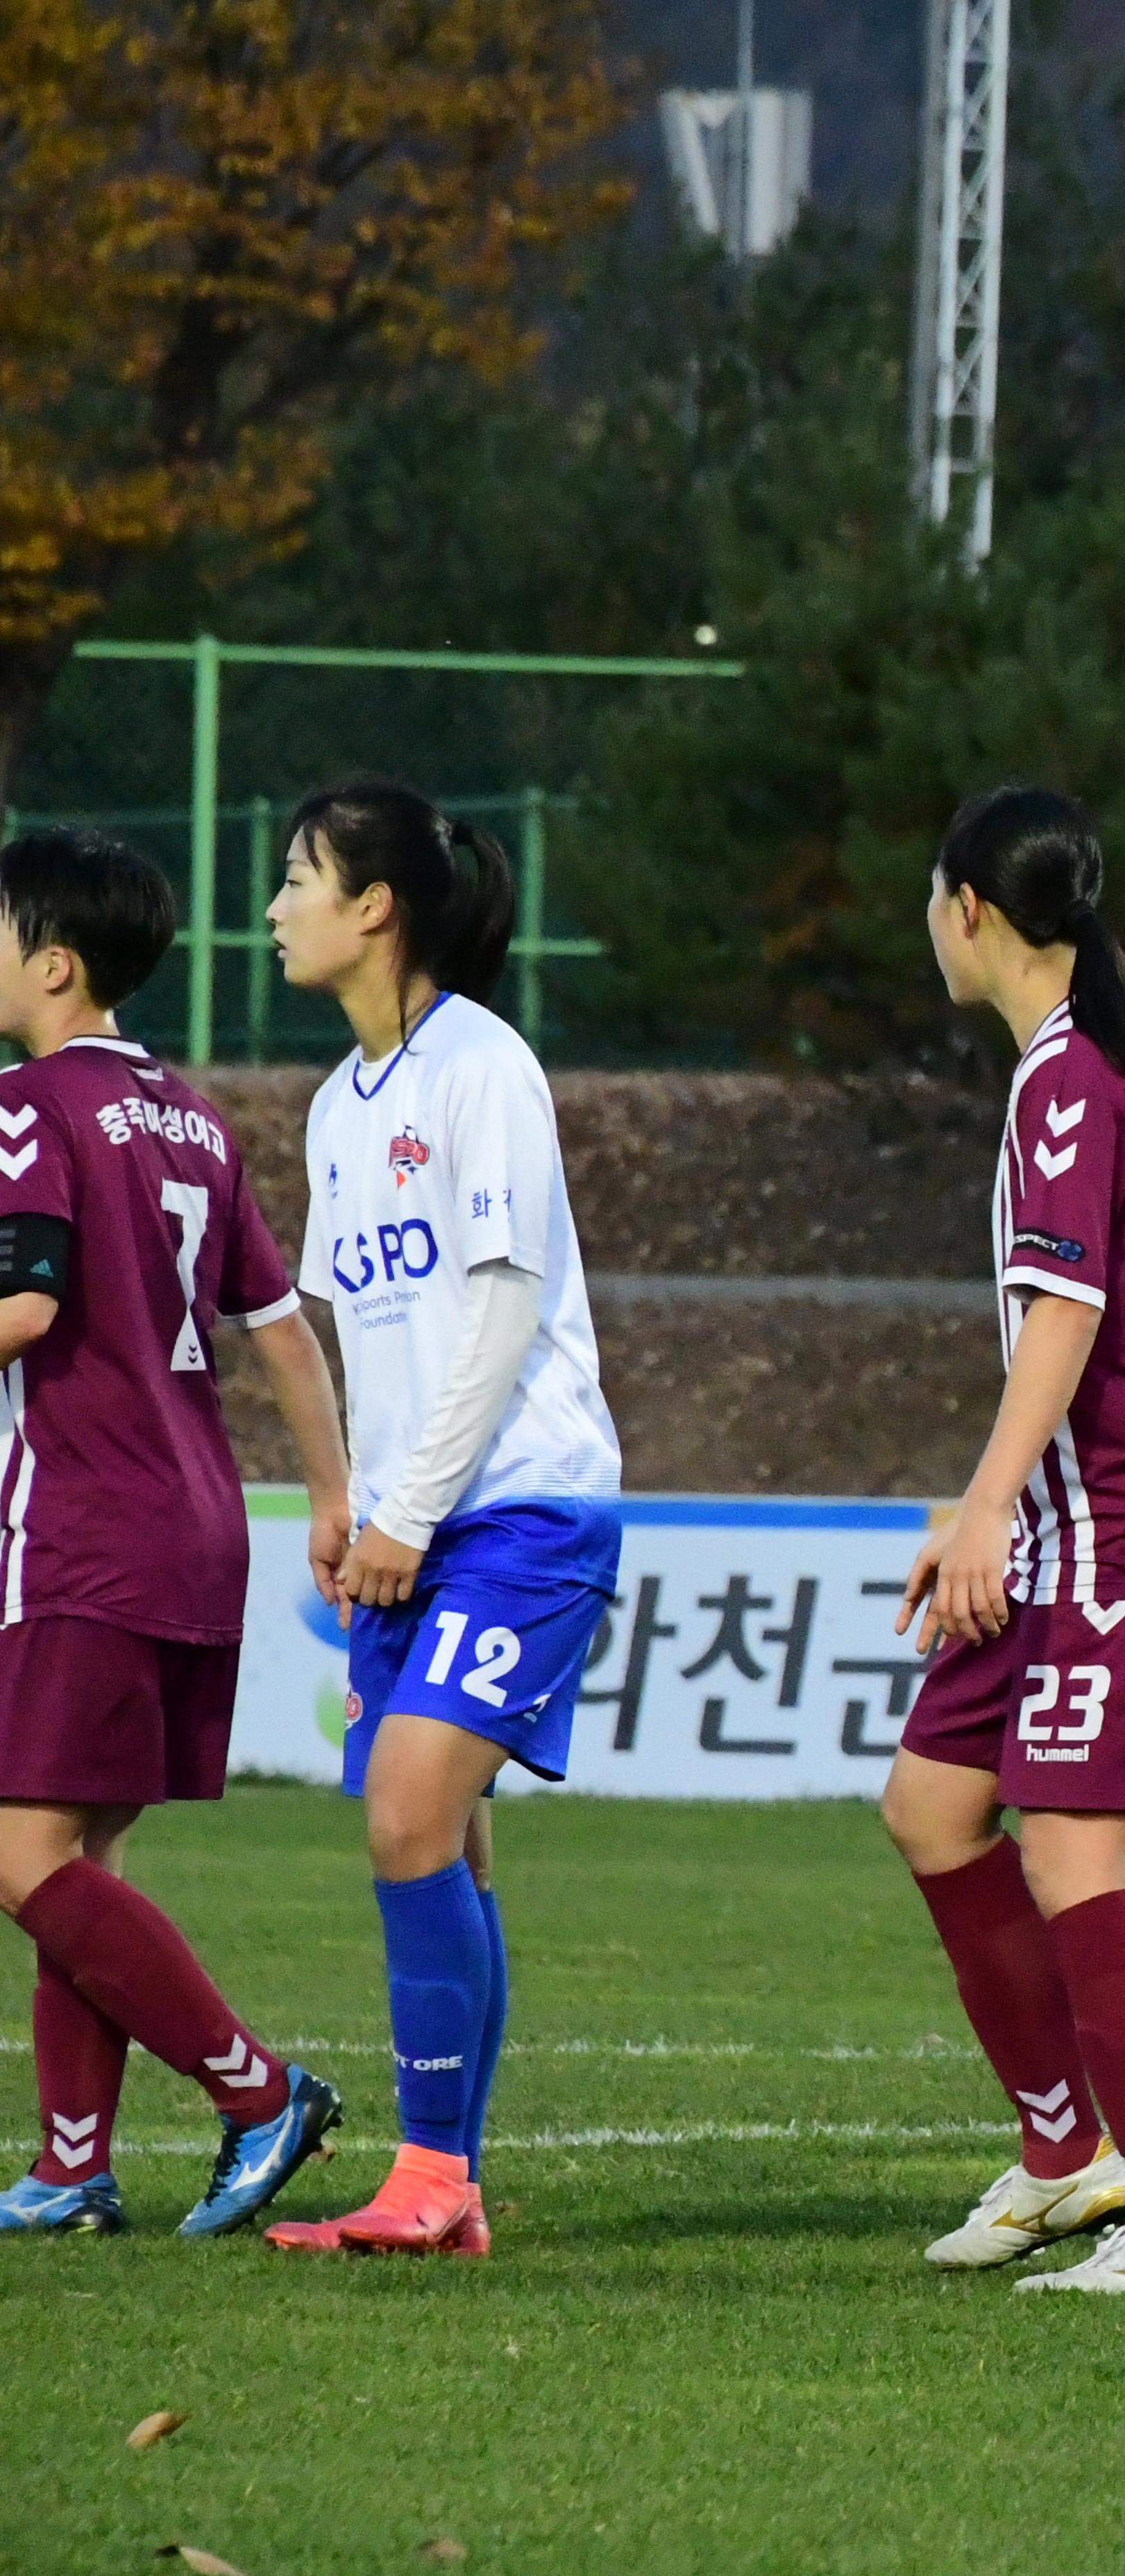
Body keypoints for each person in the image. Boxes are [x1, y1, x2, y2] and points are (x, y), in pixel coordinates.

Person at [873, 788, 1125, 2294]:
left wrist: (987, 1498)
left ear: (969, 904)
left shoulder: (1072, 1078)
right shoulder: (1097, 1063)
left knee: (1076, 1857)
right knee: (931, 1805)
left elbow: (1072, 1312)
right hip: (1068, 1523)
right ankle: (1065, 2153)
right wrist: (997, 1506)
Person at [257, 782, 624, 2260]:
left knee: (406, 1811)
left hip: (521, 1505)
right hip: (411, 1521)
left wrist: (407, 1506)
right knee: (446, 1844)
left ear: (377, 909)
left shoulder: (485, 1064)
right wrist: (347, 1497)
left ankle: (429, 2170)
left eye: (299, 877)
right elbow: (358, 1326)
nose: (276, 906)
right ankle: (447, 2182)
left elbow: (499, 1304)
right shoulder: (336, 1107)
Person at [0, 829, 351, 2239]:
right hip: (201, 1522)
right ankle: (74, 2161)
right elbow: (282, 1333)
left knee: (25, 1862)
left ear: (55, 962)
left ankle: (259, 2092)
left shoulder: (26, 1105)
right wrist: (333, 1498)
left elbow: (23, 1306)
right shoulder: (195, 1118)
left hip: (85, 1524)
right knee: (83, 1852)